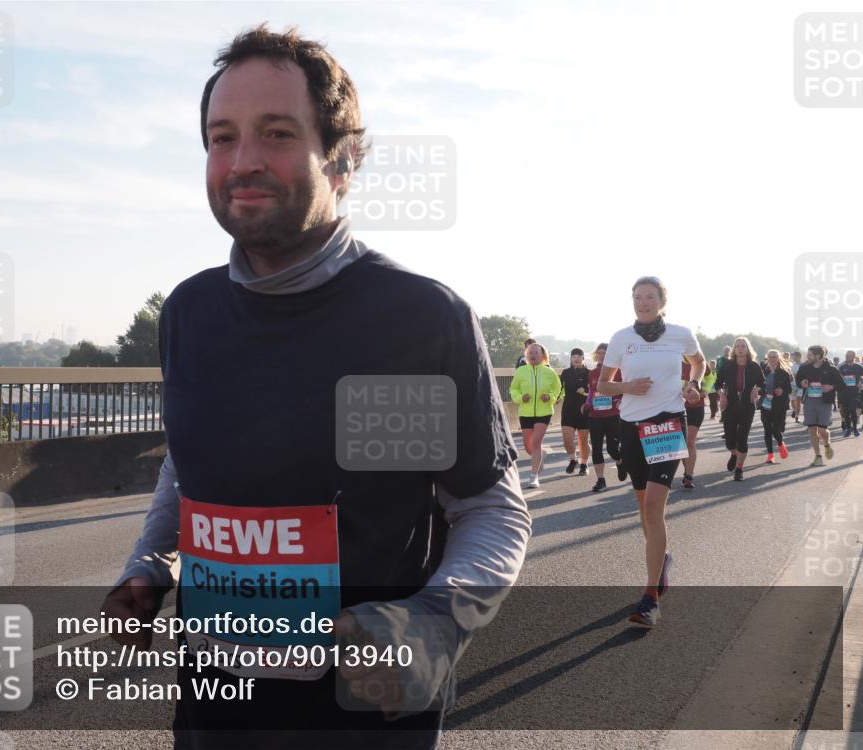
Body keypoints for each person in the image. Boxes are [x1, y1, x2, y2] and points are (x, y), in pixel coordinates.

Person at [99, 26, 531, 750]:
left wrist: (435, 621)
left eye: (275, 133)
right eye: (221, 137)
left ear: (344, 157)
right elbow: (187, 460)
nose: (242, 162)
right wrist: (149, 564)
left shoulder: (418, 318)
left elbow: (491, 508)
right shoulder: (189, 313)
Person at [598, 277, 705, 628]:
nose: (642, 302)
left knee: (653, 506)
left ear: (662, 301)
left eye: (649, 297)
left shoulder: (680, 333)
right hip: (631, 427)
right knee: (644, 511)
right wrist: (626, 386)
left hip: (668, 424)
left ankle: (650, 599)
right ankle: (663, 560)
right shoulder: (620, 338)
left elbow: (700, 362)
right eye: (637, 297)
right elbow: (602, 383)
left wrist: (693, 383)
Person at [510, 342, 562, 488]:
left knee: (536, 442)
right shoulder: (521, 371)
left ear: (543, 356)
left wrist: (550, 397)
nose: (533, 355)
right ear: (526, 355)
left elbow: (557, 389)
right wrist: (520, 398)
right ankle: (541, 455)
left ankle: (534, 477)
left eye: (536, 353)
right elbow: (513, 389)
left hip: (544, 412)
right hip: (525, 412)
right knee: (528, 446)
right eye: (530, 353)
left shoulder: (549, 372)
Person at [716, 337, 764, 481]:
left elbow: (763, 383)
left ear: (748, 349)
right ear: (734, 349)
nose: (741, 348)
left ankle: (739, 469)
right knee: (730, 440)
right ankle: (734, 453)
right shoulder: (727, 365)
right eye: (738, 346)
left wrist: (757, 390)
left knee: (742, 439)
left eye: (743, 346)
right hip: (730, 405)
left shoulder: (754, 366)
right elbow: (717, 384)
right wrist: (722, 395)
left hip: (747, 406)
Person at [582, 343, 626, 492]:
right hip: (595, 415)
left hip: (613, 415)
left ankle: (620, 461)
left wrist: (620, 400)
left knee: (613, 448)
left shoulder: (619, 372)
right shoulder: (592, 373)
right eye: (599, 353)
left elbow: (625, 390)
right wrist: (587, 404)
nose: (601, 355)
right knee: (596, 448)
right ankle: (600, 480)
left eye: (605, 353)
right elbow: (591, 392)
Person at [798, 345, 842, 466]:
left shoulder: (831, 369)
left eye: (810, 354)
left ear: (818, 356)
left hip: (825, 402)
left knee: (823, 429)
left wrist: (831, 387)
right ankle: (818, 456)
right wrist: (802, 383)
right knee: (812, 429)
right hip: (809, 402)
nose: (808, 356)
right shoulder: (805, 368)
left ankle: (826, 444)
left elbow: (841, 385)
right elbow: (798, 381)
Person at [559, 347, 591, 476]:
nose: (576, 359)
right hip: (568, 410)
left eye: (579, 356)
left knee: (583, 441)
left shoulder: (589, 373)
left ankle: (584, 464)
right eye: (574, 357)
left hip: (584, 411)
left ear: (583, 358)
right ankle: (573, 460)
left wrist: (585, 392)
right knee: (567, 440)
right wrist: (555, 398)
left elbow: (594, 392)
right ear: (571, 359)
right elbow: (559, 389)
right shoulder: (565, 372)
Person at [759, 349, 793, 463]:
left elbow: (789, 389)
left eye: (775, 357)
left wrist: (782, 390)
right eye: (770, 356)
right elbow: (758, 387)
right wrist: (759, 391)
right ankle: (770, 455)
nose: (772, 359)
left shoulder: (784, 372)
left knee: (776, 429)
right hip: (765, 403)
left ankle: (780, 443)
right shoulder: (762, 371)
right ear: (767, 358)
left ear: (779, 358)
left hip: (780, 404)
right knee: (767, 429)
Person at [679, 358, 707, 489]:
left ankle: (688, 476)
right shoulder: (672, 360)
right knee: (681, 444)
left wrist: (705, 390)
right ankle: (687, 470)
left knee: (689, 441)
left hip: (696, 407)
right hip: (677, 408)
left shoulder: (701, 362)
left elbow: (711, 379)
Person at [838, 351, 863, 438]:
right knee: (846, 412)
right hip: (844, 392)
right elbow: (838, 378)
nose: (847, 357)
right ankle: (848, 429)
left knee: (853, 410)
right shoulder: (842, 367)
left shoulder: (859, 367)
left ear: (853, 356)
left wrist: (861, 383)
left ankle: (855, 429)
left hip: (854, 392)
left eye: (849, 355)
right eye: (846, 355)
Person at [712, 345, 731, 420]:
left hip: (730, 381)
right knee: (722, 397)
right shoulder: (720, 360)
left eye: (728, 350)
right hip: (722, 381)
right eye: (725, 350)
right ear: (723, 351)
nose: (726, 352)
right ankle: (723, 415)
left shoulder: (733, 359)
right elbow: (718, 370)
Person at [791, 351, 804, 422]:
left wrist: (798, 376)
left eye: (794, 356)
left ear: (798, 356)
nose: (793, 357)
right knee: (793, 402)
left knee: (799, 401)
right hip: (793, 386)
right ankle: (795, 412)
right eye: (793, 356)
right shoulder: (792, 365)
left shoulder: (803, 365)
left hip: (800, 386)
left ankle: (797, 416)